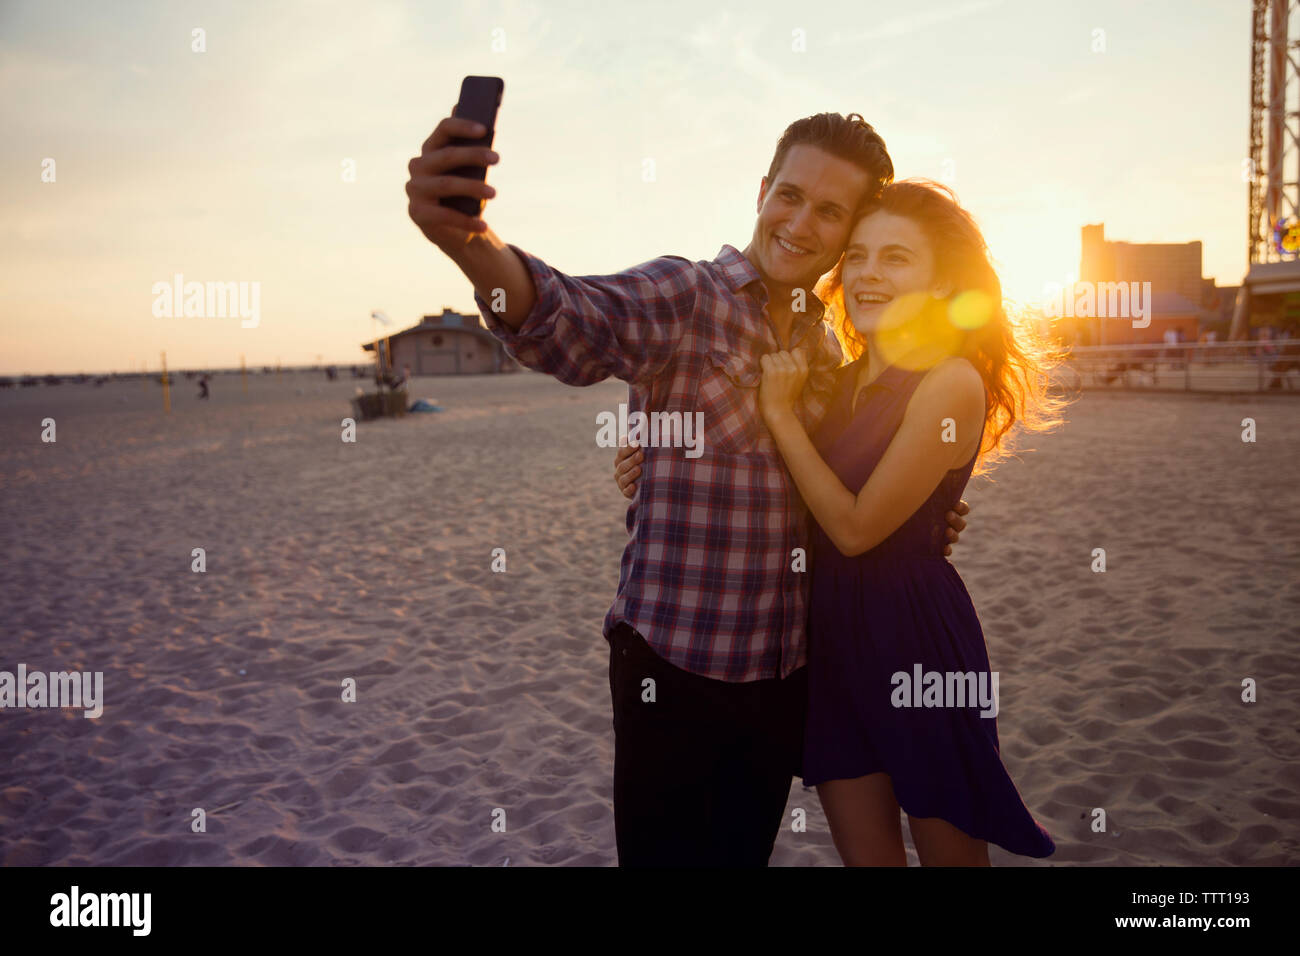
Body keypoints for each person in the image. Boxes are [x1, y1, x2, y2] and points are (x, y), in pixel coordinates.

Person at [407, 110, 970, 867]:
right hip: (672, 662)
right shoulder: (687, 295)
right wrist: (472, 243)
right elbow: (568, 318)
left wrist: (928, 514)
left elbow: (849, 479)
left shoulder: (828, 348)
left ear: (848, 235)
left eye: (831, 212)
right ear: (763, 191)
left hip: (782, 673)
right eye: (791, 196)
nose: (801, 223)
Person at [757, 181, 1062, 863]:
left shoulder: (950, 380)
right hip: (829, 641)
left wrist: (780, 416)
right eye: (858, 256)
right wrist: (641, 461)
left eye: (896, 258)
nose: (867, 274)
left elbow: (857, 529)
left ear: (942, 282)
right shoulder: (833, 377)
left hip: (916, 641)